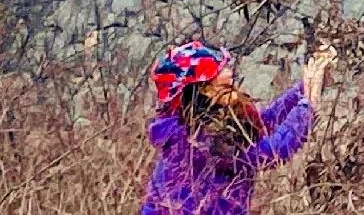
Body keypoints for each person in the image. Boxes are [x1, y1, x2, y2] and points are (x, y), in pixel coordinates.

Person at [140, 40, 333, 215]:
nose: (229, 73)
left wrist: (306, 86)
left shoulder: (210, 121)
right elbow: (272, 151)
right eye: (219, 71)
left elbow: (262, 125)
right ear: (202, 90)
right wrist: (308, 104)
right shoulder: (195, 141)